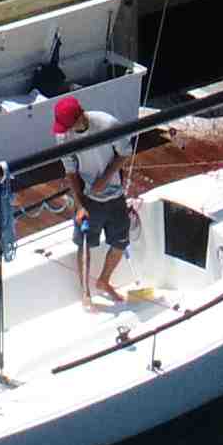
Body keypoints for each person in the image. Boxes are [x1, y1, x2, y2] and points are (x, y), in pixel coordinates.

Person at [65, 104, 134, 307]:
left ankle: (104, 280)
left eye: (70, 124)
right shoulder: (64, 136)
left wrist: (105, 178)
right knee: (84, 244)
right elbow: (70, 171)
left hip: (115, 196)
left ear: (81, 116)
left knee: (121, 242)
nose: (66, 130)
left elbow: (125, 152)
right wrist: (79, 204)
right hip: (88, 199)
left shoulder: (106, 123)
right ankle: (85, 292)